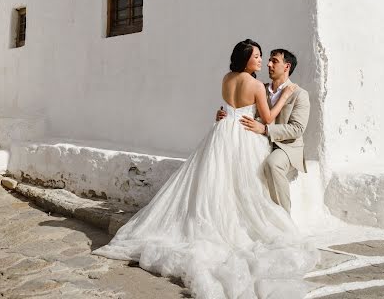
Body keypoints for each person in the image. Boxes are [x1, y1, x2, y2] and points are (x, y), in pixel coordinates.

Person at [94, 40, 316, 299]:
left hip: (222, 132)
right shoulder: (257, 85)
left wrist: (225, 114)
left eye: (266, 58)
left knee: (217, 179)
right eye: (257, 56)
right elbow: (266, 118)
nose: (262, 61)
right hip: (244, 135)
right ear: (246, 59)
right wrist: (282, 99)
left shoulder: (226, 78)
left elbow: (234, 108)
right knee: (242, 183)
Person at [217, 48, 310, 214]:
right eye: (268, 60)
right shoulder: (260, 88)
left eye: (274, 61)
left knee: (272, 164)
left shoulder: (299, 94)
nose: (268, 64)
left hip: (285, 147)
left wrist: (266, 129)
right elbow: (246, 113)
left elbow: (297, 129)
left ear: (287, 66)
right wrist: (225, 115)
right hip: (258, 142)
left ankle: (283, 217)